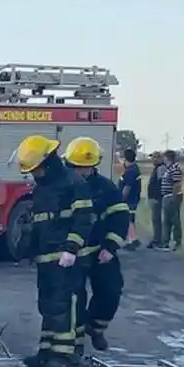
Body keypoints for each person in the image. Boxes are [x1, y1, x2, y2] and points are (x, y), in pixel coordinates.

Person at [15, 135, 95, 367]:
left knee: (63, 306)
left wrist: (71, 249)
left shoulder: (73, 183)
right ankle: (46, 351)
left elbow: (84, 219)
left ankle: (63, 356)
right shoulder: (43, 187)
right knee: (47, 305)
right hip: (46, 258)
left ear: (47, 163)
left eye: (35, 169)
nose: (33, 175)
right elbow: (40, 223)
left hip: (65, 258)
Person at [63, 137, 129, 352]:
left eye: (87, 167)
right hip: (73, 253)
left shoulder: (106, 188)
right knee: (76, 298)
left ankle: (96, 327)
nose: (83, 172)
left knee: (111, 291)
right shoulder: (64, 187)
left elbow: (120, 218)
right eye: (78, 167)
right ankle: (77, 342)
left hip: (100, 251)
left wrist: (110, 246)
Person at [158, 149, 184, 250]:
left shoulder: (175, 168)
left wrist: (173, 197)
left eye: (164, 157)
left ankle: (177, 242)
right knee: (167, 221)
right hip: (167, 196)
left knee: (174, 220)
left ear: (167, 158)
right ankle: (166, 243)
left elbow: (177, 184)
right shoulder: (169, 168)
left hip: (171, 197)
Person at [118, 148, 142, 249]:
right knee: (130, 219)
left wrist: (121, 199)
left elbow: (127, 187)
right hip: (133, 199)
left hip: (129, 200)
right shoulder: (134, 168)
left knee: (129, 219)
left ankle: (133, 240)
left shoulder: (130, 171)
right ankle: (132, 239)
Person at [146, 152, 164, 248]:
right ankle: (156, 239)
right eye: (152, 157)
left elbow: (160, 184)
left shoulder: (161, 168)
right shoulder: (156, 168)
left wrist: (157, 197)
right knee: (155, 219)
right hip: (154, 198)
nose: (153, 159)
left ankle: (158, 240)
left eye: (154, 158)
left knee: (157, 219)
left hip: (157, 198)